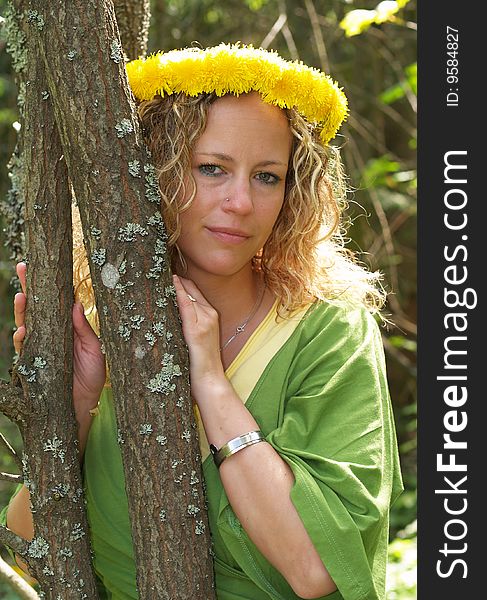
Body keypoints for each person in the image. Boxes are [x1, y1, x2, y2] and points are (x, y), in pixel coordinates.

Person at [3, 44, 403, 600]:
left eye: (267, 177)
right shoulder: (105, 333)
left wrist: (211, 382)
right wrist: (76, 403)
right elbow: (26, 548)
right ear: (154, 173)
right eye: (212, 169)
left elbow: (316, 568)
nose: (241, 201)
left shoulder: (327, 331)